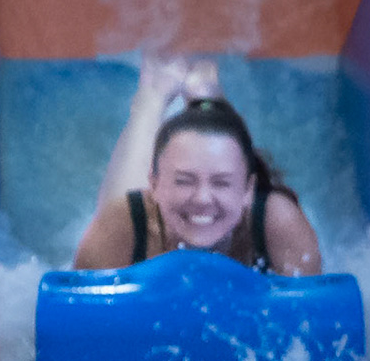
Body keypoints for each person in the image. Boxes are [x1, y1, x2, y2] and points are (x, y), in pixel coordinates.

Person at [73, 56, 321, 275]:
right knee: (119, 210)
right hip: (137, 227)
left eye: (222, 183)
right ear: (154, 184)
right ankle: (153, 96)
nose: (203, 198)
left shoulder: (278, 223)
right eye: (183, 181)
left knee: (218, 151)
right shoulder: (119, 227)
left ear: (248, 190)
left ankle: (205, 94)